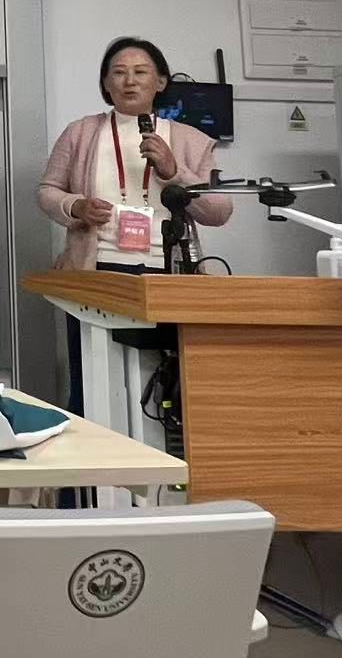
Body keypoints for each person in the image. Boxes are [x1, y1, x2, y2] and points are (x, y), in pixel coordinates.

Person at [39, 37, 233, 416]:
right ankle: (93, 452)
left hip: (168, 273)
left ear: (160, 82)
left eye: (140, 72)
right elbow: (47, 191)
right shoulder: (81, 132)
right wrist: (75, 205)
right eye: (119, 73)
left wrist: (174, 171)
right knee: (92, 384)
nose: (129, 81)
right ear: (105, 83)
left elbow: (219, 211)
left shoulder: (191, 139)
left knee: (169, 386)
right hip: (96, 270)